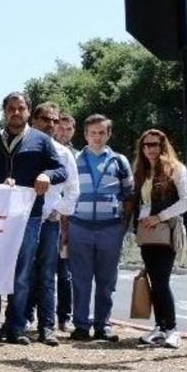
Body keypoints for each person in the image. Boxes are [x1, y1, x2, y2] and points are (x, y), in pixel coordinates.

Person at [0, 91, 66, 345]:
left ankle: (15, 327)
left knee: (22, 273)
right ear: (4, 112)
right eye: (11, 108)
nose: (16, 112)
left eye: (21, 108)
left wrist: (47, 175)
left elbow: (61, 170)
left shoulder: (41, 140)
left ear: (28, 111)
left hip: (29, 216)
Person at [68, 114, 133, 343]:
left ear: (109, 134)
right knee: (80, 280)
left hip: (110, 229)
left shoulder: (119, 161)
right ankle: (81, 326)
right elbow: (66, 196)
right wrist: (67, 231)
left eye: (102, 132)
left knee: (107, 282)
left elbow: (129, 196)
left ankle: (103, 325)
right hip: (79, 228)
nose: (97, 137)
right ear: (85, 135)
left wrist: (122, 227)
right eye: (93, 133)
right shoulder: (73, 160)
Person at [24, 102, 80, 346]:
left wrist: (57, 211)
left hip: (49, 223)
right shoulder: (24, 148)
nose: (50, 124)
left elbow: (73, 191)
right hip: (23, 222)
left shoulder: (64, 154)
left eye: (54, 120)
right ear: (33, 120)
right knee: (22, 274)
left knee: (48, 275)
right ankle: (20, 321)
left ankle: (47, 327)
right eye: (45, 119)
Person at [131, 129, 187, 349]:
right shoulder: (142, 171)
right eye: (145, 145)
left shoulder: (177, 169)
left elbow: (185, 202)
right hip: (147, 234)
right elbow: (141, 203)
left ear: (163, 145)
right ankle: (160, 327)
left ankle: (172, 329)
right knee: (154, 280)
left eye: (154, 144)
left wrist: (159, 217)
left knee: (162, 282)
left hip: (166, 231)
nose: (150, 149)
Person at [55, 111, 77, 331]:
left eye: (69, 129)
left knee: (65, 275)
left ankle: (65, 317)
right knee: (39, 272)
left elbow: (75, 191)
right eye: (61, 127)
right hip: (50, 218)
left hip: (69, 225)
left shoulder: (78, 156)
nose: (64, 132)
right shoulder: (49, 151)